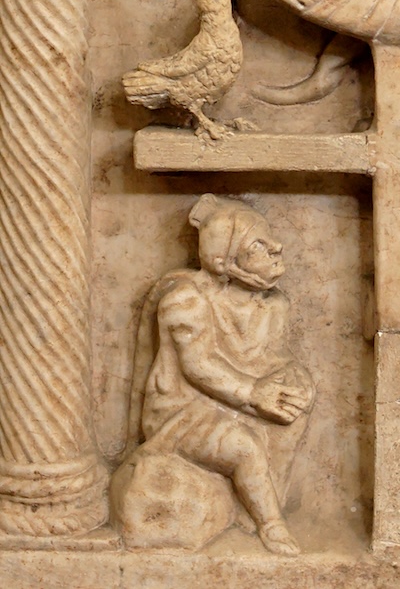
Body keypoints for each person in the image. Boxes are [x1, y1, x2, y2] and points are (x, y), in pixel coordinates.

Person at [132, 194, 314, 555]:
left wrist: (295, 379)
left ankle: (254, 506)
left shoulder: (274, 305)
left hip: (239, 393)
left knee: (295, 407)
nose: (275, 248)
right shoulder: (185, 300)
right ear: (224, 262)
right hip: (181, 412)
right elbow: (198, 366)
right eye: (257, 246)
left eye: (270, 240)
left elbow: (272, 357)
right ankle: (270, 524)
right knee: (244, 446)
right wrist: (253, 393)